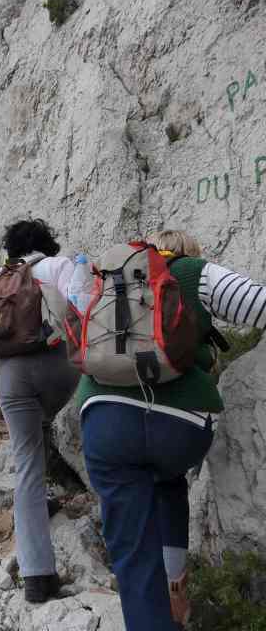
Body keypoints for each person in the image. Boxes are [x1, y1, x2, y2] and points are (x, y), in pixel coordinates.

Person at [77, 229, 266, 630]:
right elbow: (260, 305)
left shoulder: (110, 278)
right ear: (189, 252)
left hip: (105, 420)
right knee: (167, 477)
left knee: (131, 549)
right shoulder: (197, 272)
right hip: (181, 427)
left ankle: (155, 613)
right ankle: (176, 587)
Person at [0, 219, 80, 603]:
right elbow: (87, 311)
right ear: (48, 242)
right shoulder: (59, 266)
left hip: (9, 377)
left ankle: (37, 578)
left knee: (27, 463)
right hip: (57, 369)